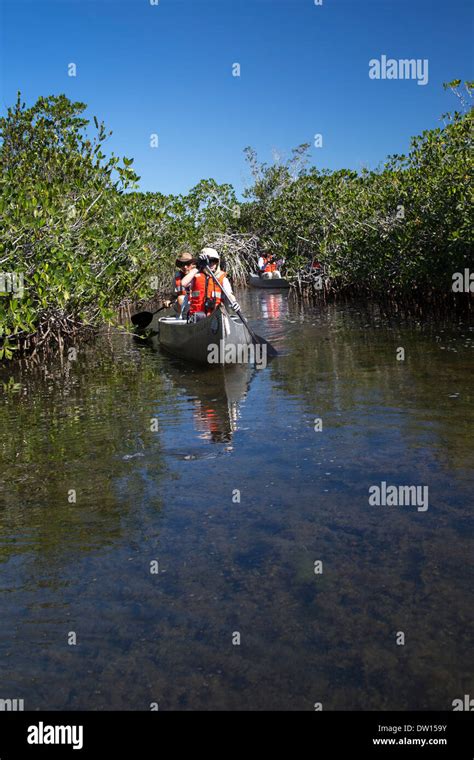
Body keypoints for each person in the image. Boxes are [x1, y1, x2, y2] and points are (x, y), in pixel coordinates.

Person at [181, 247, 241, 321]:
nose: (212, 264)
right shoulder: (195, 275)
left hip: (215, 318)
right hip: (197, 318)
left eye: (214, 261)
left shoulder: (222, 278)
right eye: (209, 261)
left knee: (219, 315)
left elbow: (229, 295)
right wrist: (199, 266)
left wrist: (234, 303)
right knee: (200, 316)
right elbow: (183, 283)